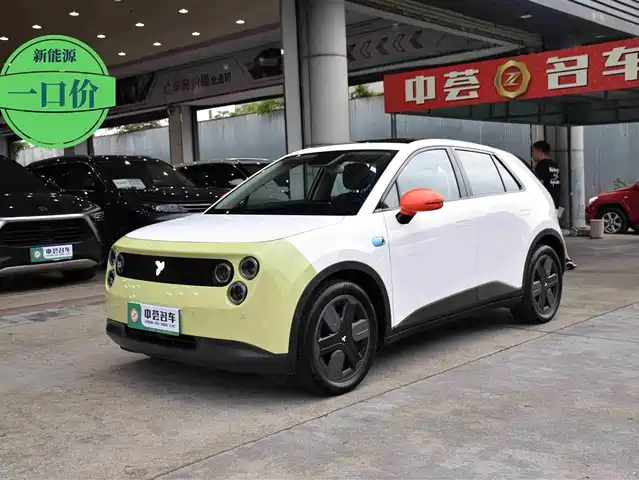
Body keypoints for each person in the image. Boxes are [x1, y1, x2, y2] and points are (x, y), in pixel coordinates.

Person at [531, 140, 577, 270]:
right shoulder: (554, 165)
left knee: (552, 231)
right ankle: (564, 258)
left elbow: (538, 186)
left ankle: (564, 258)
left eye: (533, 152)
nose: (532, 155)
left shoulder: (541, 166)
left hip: (546, 204)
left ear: (540, 151)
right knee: (556, 229)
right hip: (557, 203)